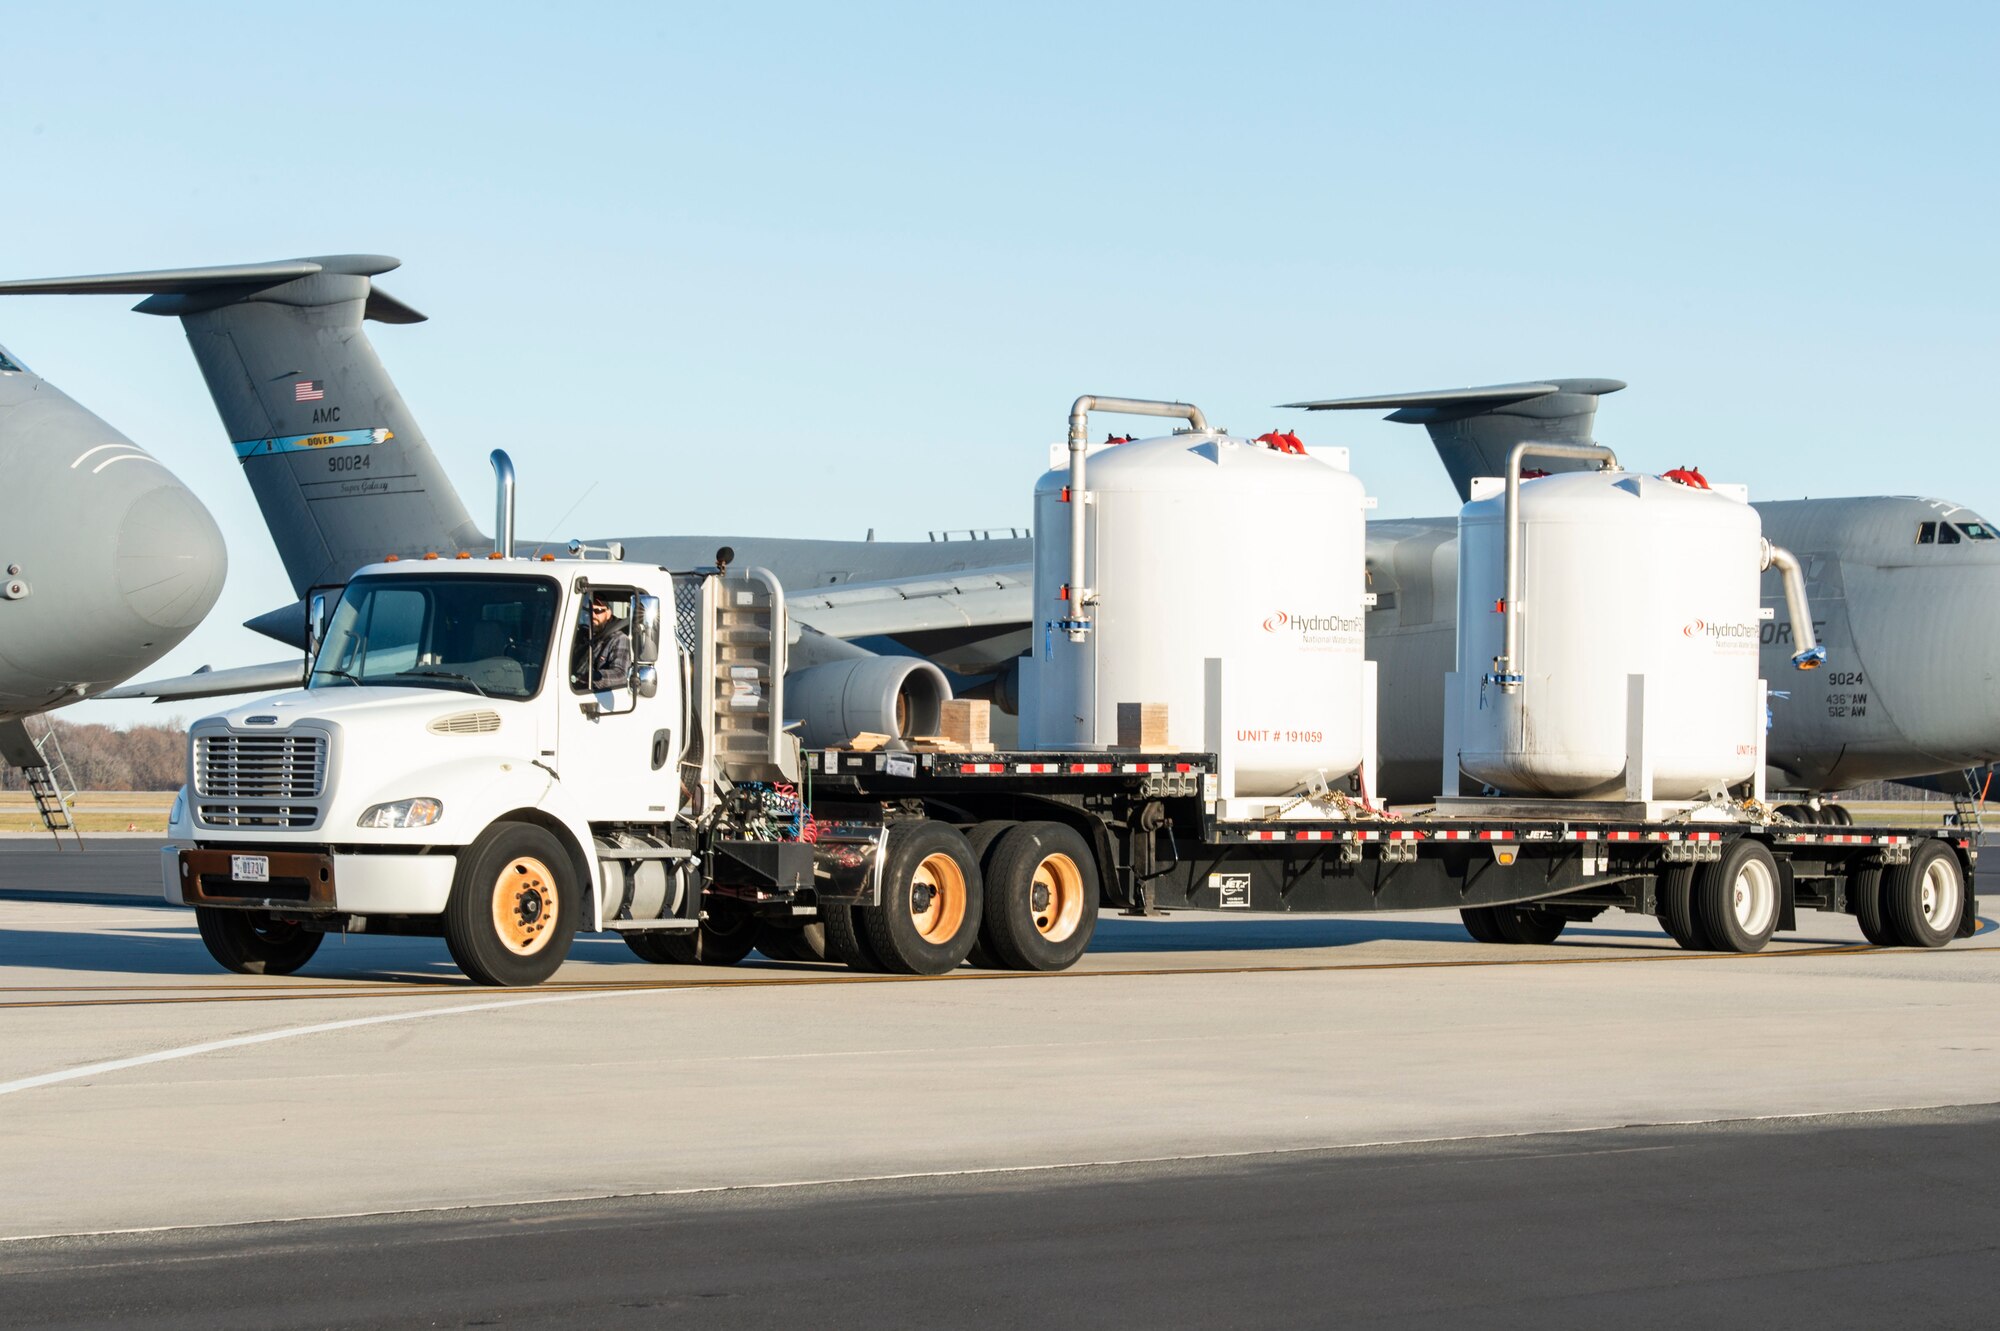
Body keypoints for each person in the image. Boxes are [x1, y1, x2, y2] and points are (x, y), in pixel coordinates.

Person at [583, 594, 631, 690]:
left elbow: (620, 674)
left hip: (595, 694)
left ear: (608, 613)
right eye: (589, 611)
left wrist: (592, 677)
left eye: (598, 611)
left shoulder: (619, 639)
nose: (593, 615)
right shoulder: (583, 635)